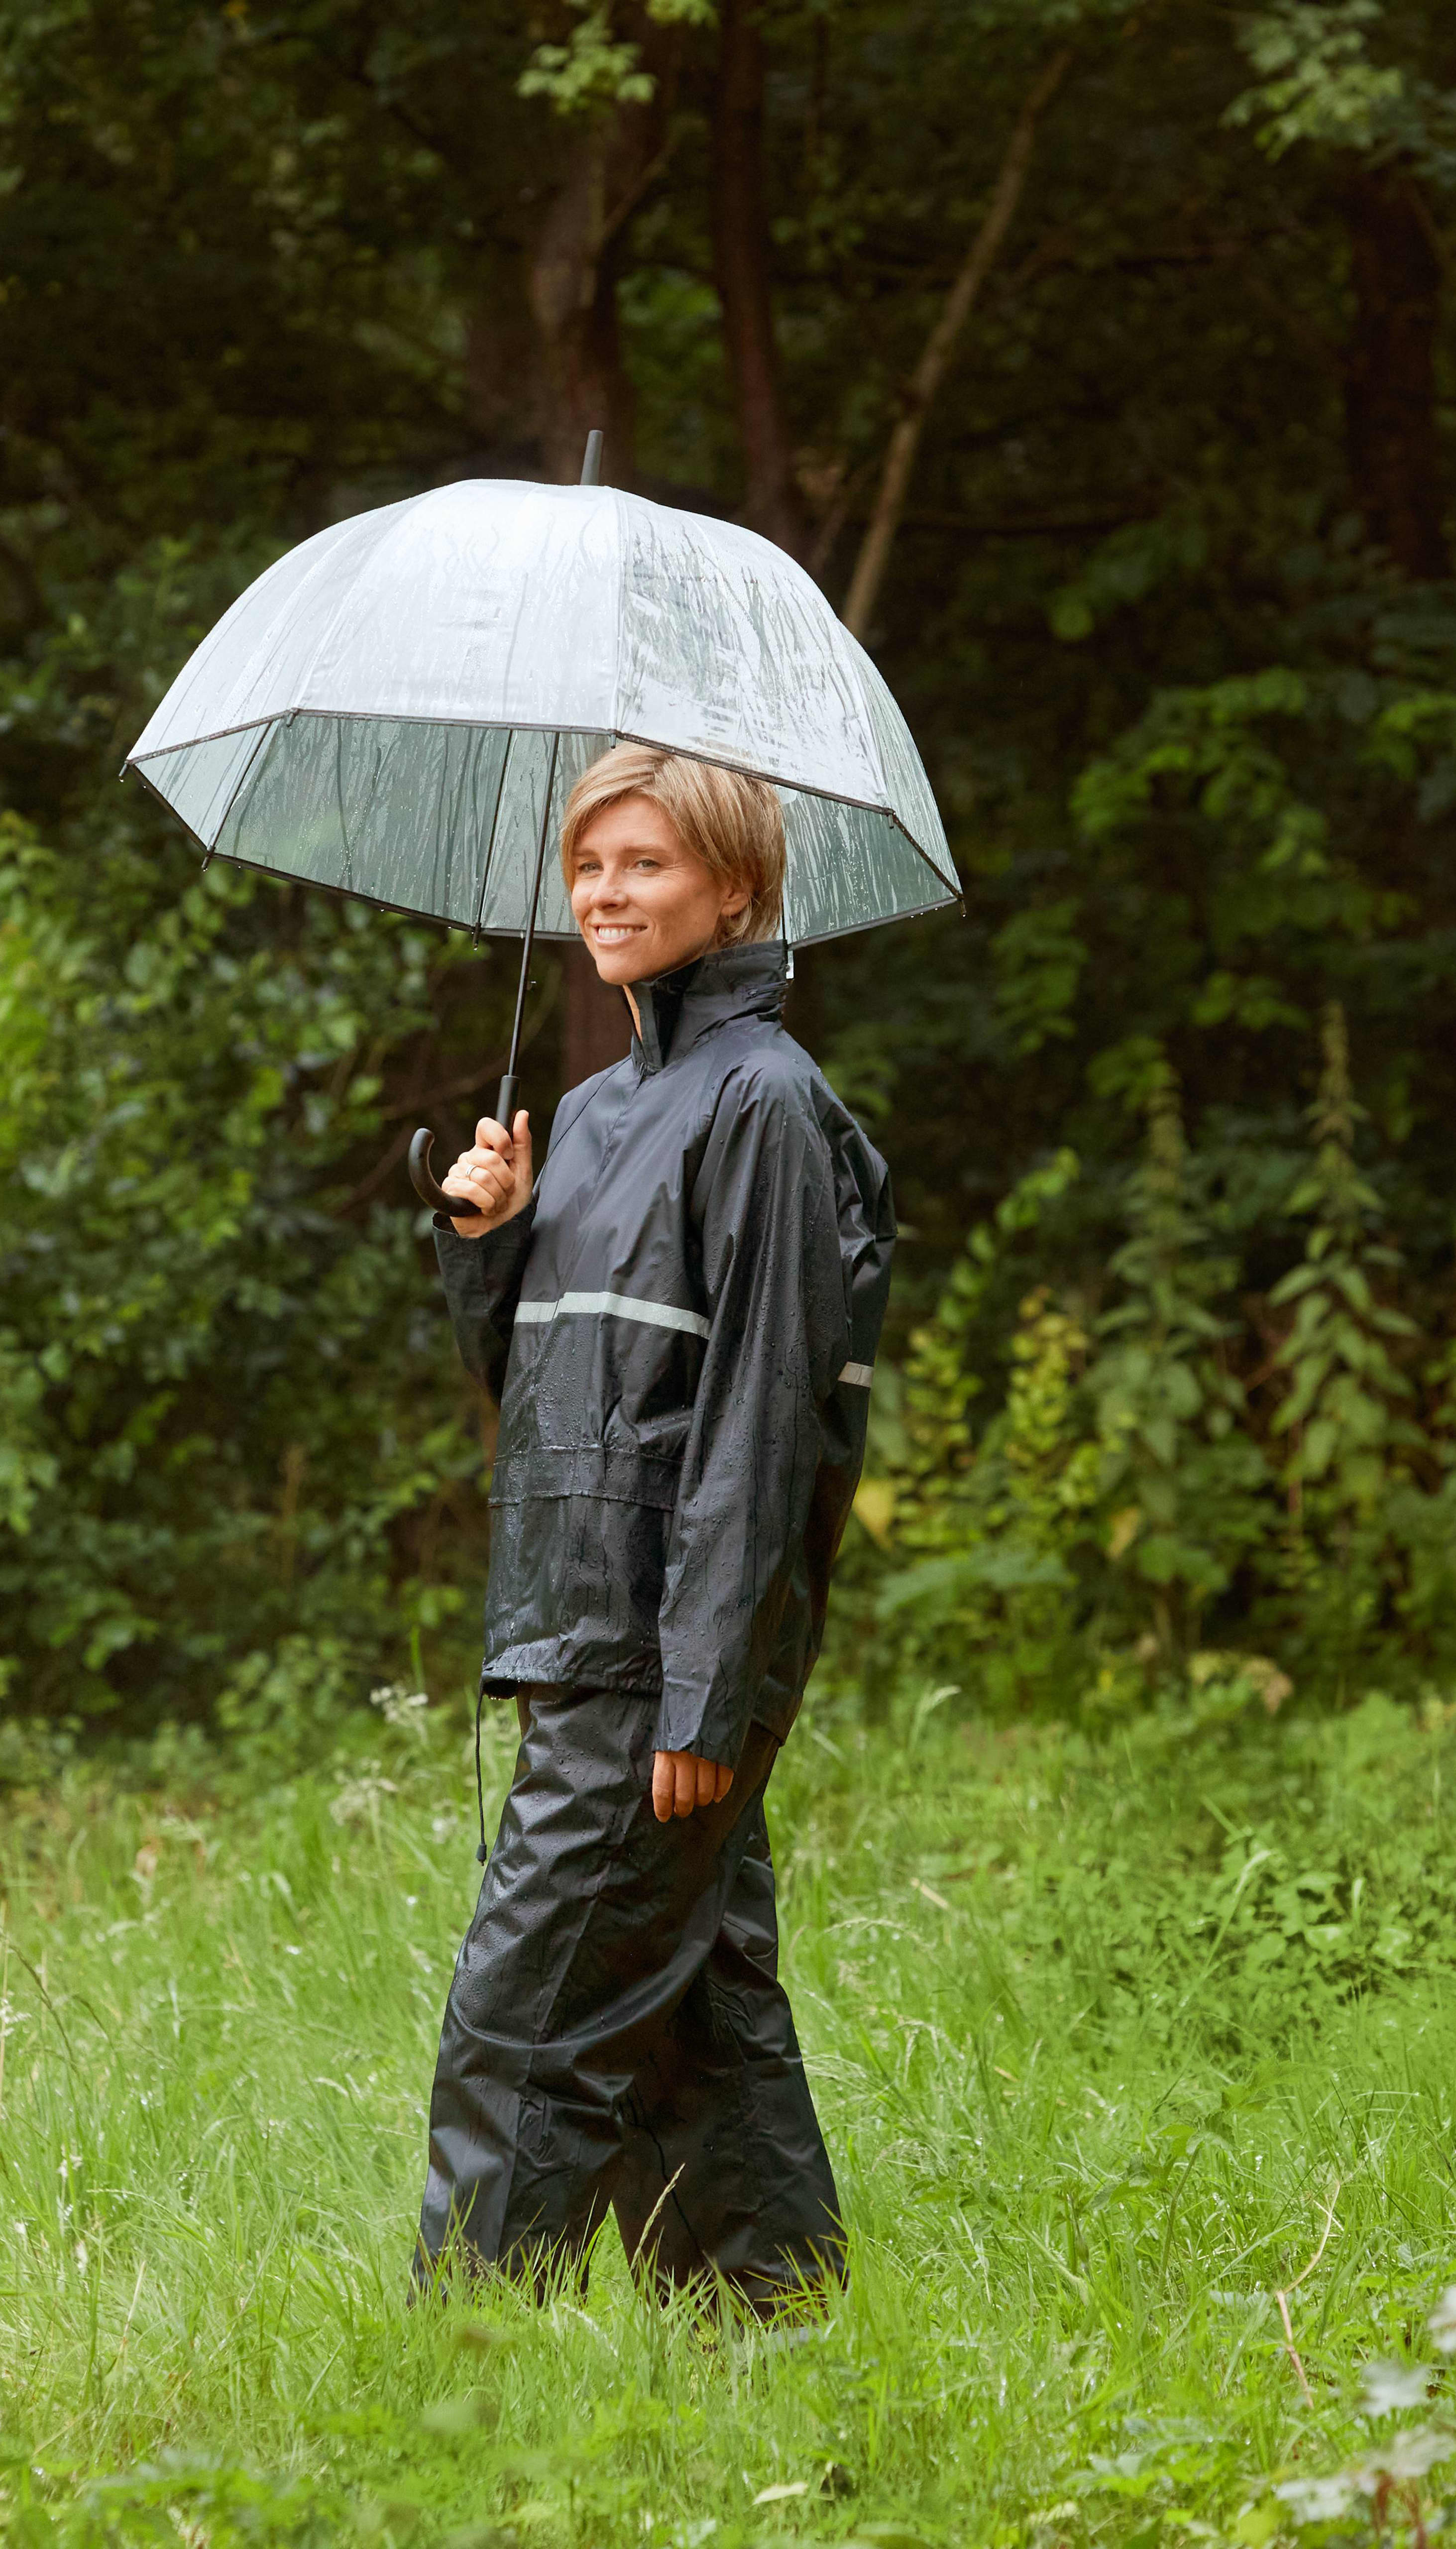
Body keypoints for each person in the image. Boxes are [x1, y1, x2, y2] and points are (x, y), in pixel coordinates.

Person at [412, 743, 894, 2314]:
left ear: (736, 887)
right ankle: (780, 2338)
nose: (606, 894)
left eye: (648, 865)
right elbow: (553, 1404)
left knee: (523, 2023)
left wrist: (709, 1690)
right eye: (590, 865)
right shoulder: (599, 1111)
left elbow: (767, 1427)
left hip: (648, 1664)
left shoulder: (766, 1106)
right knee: (696, 2027)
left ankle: (447, 2383)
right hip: (579, 1633)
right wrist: (487, 1248)